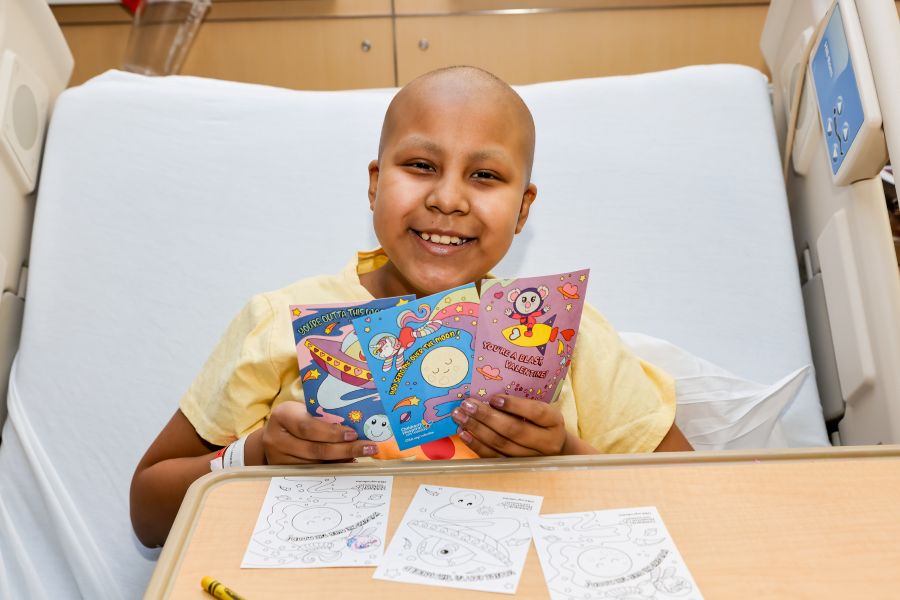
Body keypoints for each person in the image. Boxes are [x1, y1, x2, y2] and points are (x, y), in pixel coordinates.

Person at [130, 66, 692, 548]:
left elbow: (696, 498)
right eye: (421, 165)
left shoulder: (561, 333)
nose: (447, 198)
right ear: (375, 185)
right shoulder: (279, 320)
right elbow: (149, 512)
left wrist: (563, 453)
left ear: (523, 209)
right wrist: (255, 456)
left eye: (486, 175)